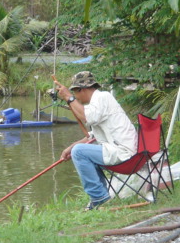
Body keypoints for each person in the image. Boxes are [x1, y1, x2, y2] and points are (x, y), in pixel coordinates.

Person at [53, 71, 137, 210]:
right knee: (78, 150)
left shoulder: (102, 97)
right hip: (123, 151)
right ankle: (101, 196)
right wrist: (70, 148)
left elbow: (87, 118)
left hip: (124, 153)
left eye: (75, 92)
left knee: (79, 152)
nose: (75, 96)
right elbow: (92, 136)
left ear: (83, 89)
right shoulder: (99, 100)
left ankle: (99, 197)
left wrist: (68, 97)